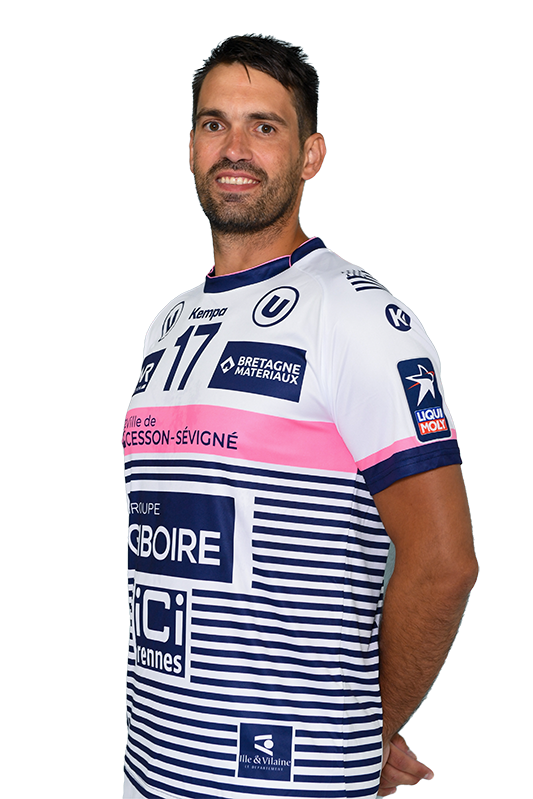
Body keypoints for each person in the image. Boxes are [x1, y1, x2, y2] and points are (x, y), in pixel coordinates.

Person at [122, 34, 479, 799]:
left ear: (310, 154)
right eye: (214, 123)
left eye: (264, 125)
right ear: (191, 146)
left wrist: (370, 727)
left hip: (290, 778)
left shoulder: (355, 316)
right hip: (154, 770)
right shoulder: (168, 325)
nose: (234, 148)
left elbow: (444, 560)